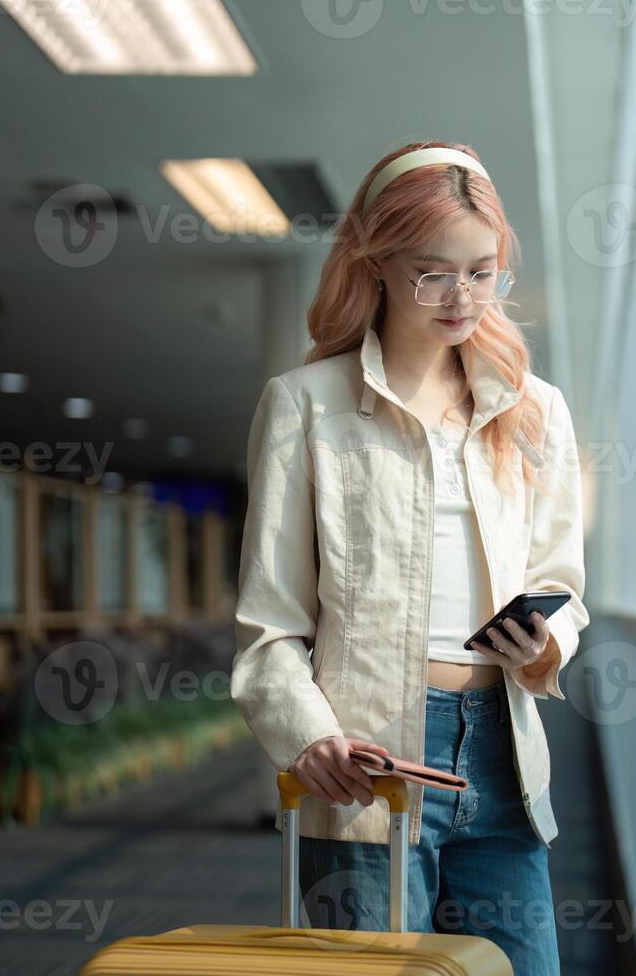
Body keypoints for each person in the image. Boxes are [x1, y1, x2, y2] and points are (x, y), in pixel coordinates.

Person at [230, 141, 587, 974]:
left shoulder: (536, 412)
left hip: (501, 754)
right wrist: (308, 736)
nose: (462, 298)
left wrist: (544, 644)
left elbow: (562, 583)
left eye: (483, 271)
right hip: (370, 760)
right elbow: (269, 626)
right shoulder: (305, 408)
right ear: (376, 262)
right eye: (433, 273)